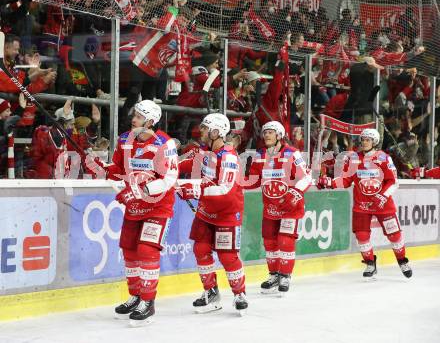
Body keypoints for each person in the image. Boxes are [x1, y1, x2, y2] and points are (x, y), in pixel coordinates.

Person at [85, 100, 178, 326]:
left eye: (137, 116)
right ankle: (135, 296)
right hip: (135, 208)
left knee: (146, 250)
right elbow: (119, 170)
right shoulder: (125, 139)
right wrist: (100, 167)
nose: (133, 119)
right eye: (134, 115)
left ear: (149, 121)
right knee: (129, 251)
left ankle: (148, 301)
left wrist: (140, 191)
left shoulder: (165, 144)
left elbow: (169, 178)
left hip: (157, 207)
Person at [317, 129, 412, 279]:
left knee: (394, 235)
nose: (364, 142)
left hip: (383, 205)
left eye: (368, 140)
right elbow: (346, 180)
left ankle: (402, 260)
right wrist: (329, 182)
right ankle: (370, 263)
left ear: (374, 142)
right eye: (363, 139)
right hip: (361, 205)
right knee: (362, 235)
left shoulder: (384, 158)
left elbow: (393, 182)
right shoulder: (353, 158)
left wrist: (383, 196)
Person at [178, 113, 248, 315]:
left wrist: (194, 190)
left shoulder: (229, 156)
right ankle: (211, 293)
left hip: (227, 212)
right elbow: (180, 164)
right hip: (206, 211)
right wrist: (162, 168)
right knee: (201, 249)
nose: (201, 131)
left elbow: (224, 189)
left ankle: (239, 293)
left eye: (205, 128)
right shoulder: (202, 151)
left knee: (227, 256)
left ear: (216, 132)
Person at [243, 121, 312, 294]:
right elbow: (253, 180)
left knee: (285, 241)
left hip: (290, 207)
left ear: (279, 135)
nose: (266, 135)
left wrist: (295, 194)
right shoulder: (260, 155)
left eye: (271, 132)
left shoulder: (292, 153)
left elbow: (306, 178)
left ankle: (285, 276)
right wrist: (236, 182)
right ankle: (274, 275)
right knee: (269, 241)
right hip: (270, 207)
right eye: (265, 132)